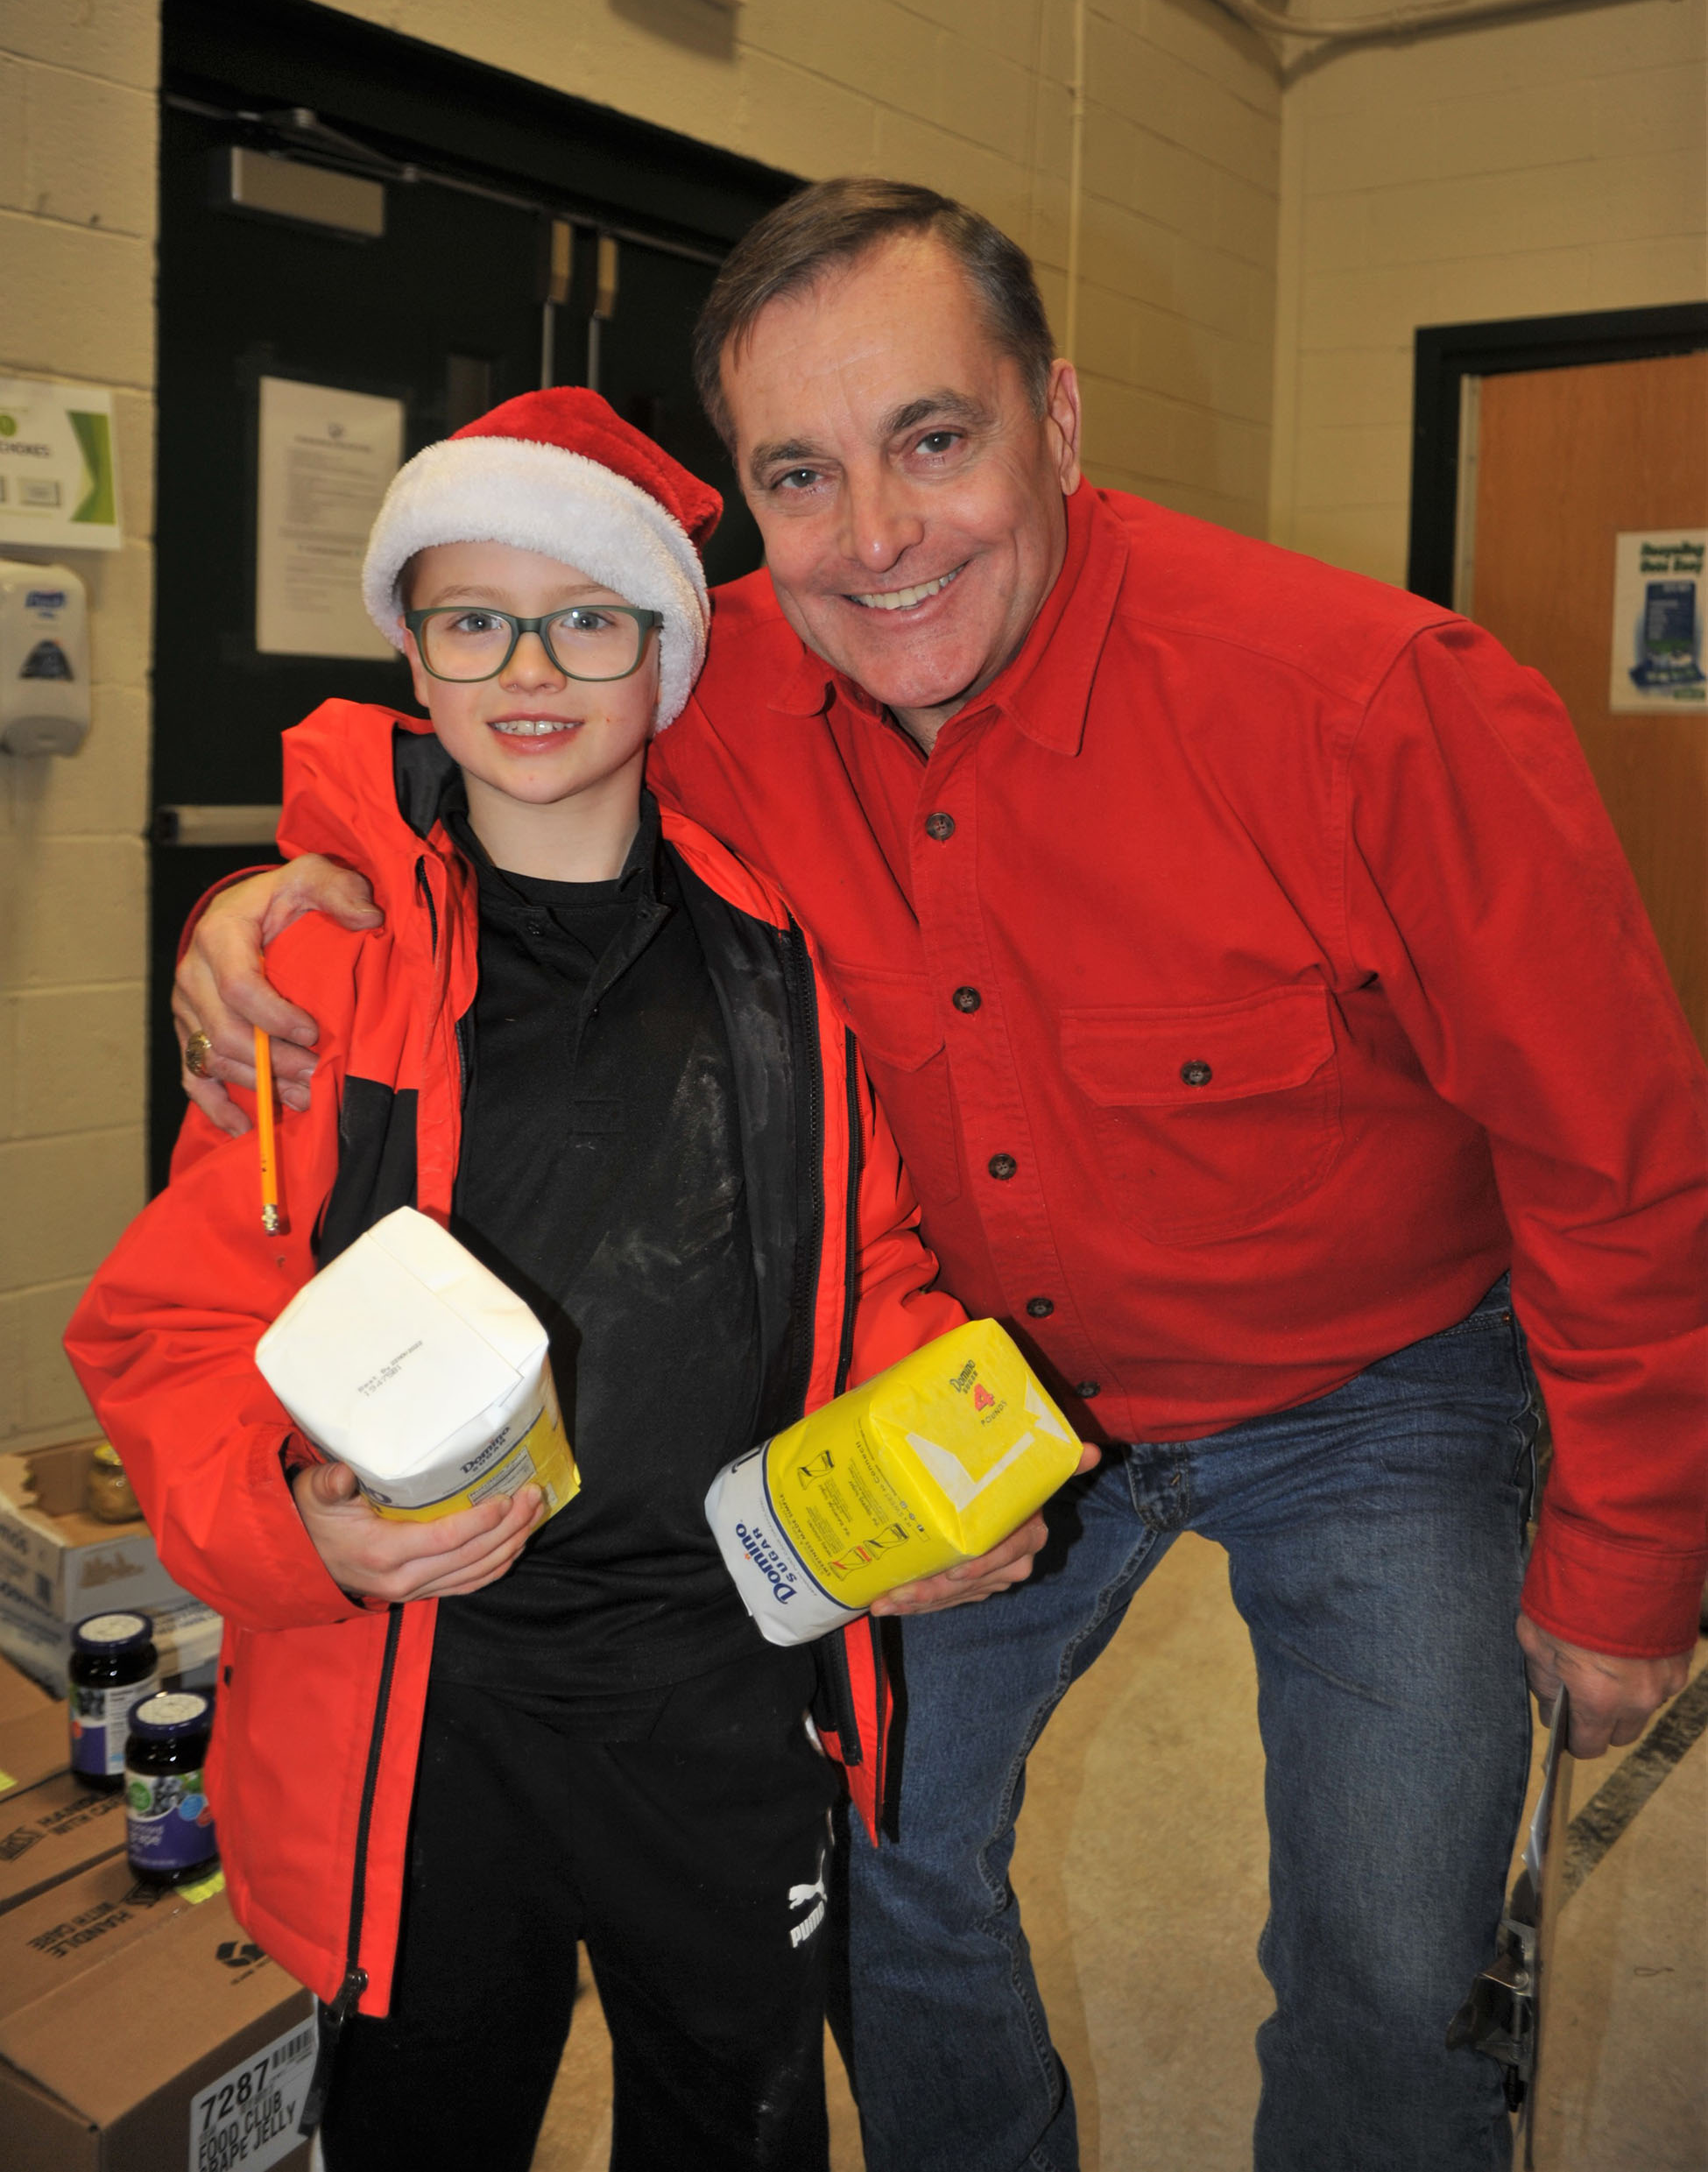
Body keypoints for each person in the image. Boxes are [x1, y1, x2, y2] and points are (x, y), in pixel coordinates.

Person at [171, 184, 1708, 2172]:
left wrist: (1627, 1558)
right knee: (878, 1864)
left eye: (935, 438)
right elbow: (471, 754)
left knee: (1393, 1947)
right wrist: (258, 909)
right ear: (739, 501)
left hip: (1371, 1388)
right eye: (801, 474)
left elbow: (1621, 1151)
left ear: (1055, 419)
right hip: (958, 1380)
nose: (878, 539)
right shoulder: (709, 691)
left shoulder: (1370, 703)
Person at [65, 389, 985, 2172]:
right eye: (475, 617)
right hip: (427, 1699)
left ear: (668, 654)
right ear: (415, 655)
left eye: (591, 616)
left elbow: (854, 1262)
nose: (533, 663)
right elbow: (171, 1330)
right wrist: (295, 1533)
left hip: (719, 1676)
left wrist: (934, 1436)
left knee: (741, 2110)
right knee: (425, 2118)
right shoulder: (320, 975)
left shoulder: (785, 955)